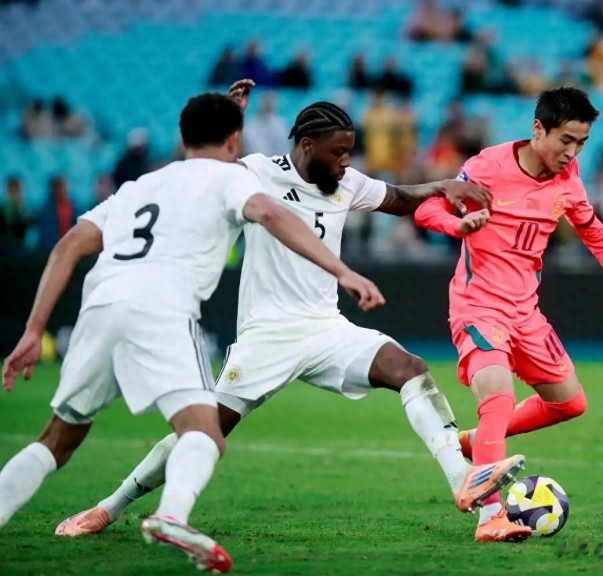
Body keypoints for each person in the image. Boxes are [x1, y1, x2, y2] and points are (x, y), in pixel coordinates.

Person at [53, 80, 525, 539]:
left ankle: (463, 480)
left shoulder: (346, 182)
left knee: (409, 368)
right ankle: (109, 506)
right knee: (202, 433)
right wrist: (228, 121)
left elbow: (397, 198)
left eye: (350, 151)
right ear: (306, 145)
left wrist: (444, 186)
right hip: (267, 337)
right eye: (338, 152)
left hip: (325, 329)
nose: (346, 161)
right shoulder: (258, 172)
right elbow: (203, 172)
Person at [0, 92, 385, 572]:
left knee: (54, 442)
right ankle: (171, 516)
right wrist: (342, 271)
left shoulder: (141, 184)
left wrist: (33, 330)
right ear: (235, 140)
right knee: (204, 434)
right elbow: (272, 214)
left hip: (101, 306)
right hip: (162, 309)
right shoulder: (232, 178)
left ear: (183, 138)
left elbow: (68, 247)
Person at [414, 87, 603, 543]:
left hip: (526, 312)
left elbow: (597, 237)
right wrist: (457, 225)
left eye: (581, 143)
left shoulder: (568, 180)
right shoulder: (486, 167)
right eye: (565, 140)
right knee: (498, 397)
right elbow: (427, 207)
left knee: (569, 403)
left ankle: (474, 443)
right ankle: (490, 516)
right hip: (479, 306)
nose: (572, 153)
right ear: (538, 130)